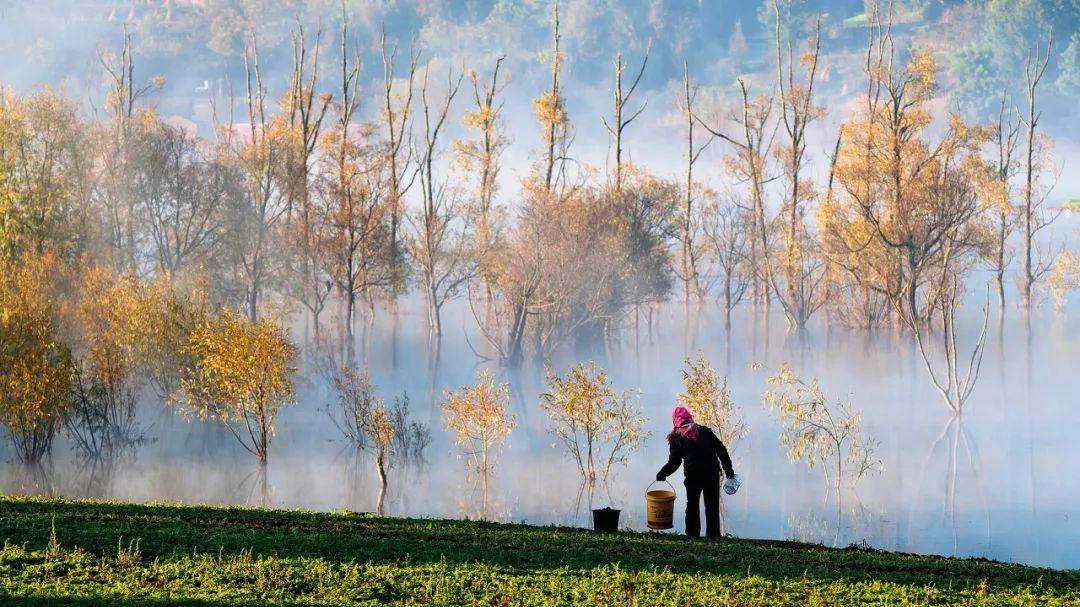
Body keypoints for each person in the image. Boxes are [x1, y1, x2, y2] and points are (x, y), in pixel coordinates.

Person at [655, 406, 736, 538]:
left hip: (693, 475)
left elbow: (674, 462)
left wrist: (663, 473)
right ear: (689, 416)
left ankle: (692, 535)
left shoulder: (676, 437)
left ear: (675, 420)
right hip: (711, 472)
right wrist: (729, 471)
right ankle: (713, 536)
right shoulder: (704, 431)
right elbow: (721, 450)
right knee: (712, 506)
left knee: (692, 505)